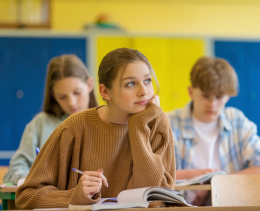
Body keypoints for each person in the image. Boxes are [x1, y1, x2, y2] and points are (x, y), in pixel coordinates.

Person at [15, 48, 176, 209]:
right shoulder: (73, 128)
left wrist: (139, 126)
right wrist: (77, 195)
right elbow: (26, 197)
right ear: (105, 92)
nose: (144, 92)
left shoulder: (157, 123)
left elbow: (155, 199)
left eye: (147, 81)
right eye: (131, 84)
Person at [167, 56, 260, 206]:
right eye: (205, 96)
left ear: (228, 96)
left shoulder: (237, 121)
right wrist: (197, 176)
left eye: (219, 97)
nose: (212, 104)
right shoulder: (168, 124)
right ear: (191, 92)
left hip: (227, 206)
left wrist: (218, 184)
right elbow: (151, 177)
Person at [4, 54, 98, 185]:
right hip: (52, 201)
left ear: (89, 84)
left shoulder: (108, 121)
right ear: (53, 95)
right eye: (62, 96)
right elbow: (14, 171)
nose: (72, 103)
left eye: (77, 92)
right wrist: (28, 180)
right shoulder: (41, 124)